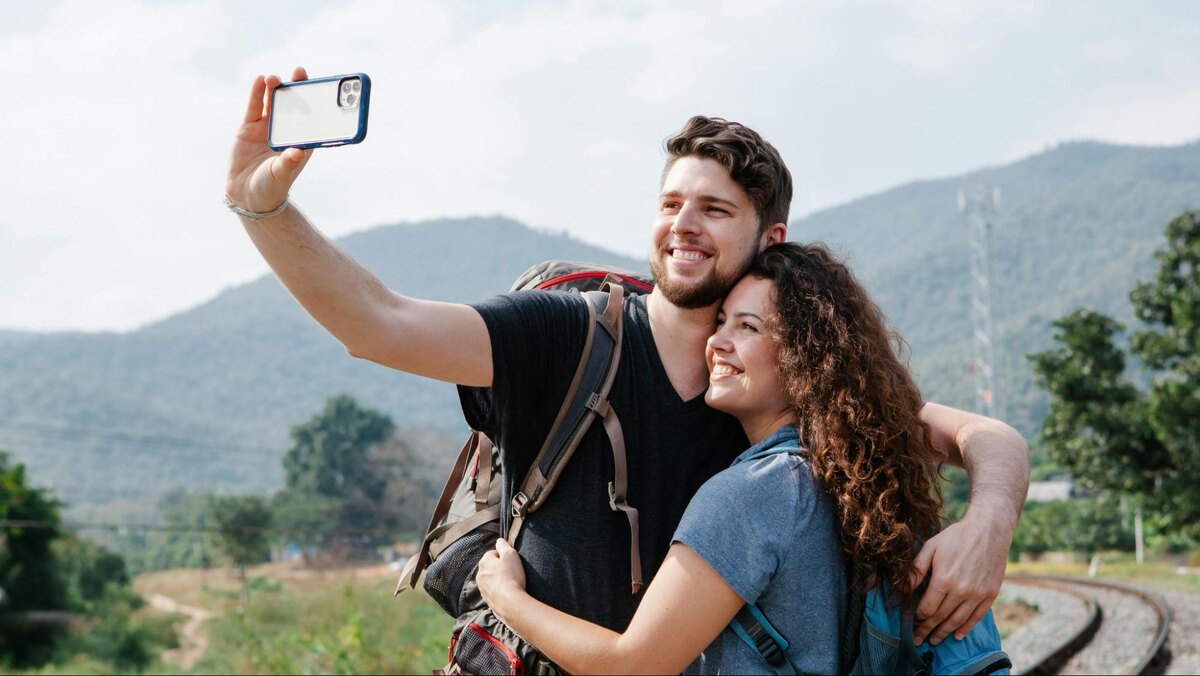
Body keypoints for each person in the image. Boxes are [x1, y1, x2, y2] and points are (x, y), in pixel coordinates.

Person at [224, 67, 1029, 652]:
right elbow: (378, 323)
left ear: (768, 241)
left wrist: (987, 528)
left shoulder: (772, 384)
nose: (684, 224)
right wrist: (261, 208)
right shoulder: (563, 337)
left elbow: (987, 438)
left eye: (715, 209)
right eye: (671, 203)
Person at [475, 242, 966, 674]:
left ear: (807, 357)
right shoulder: (862, 478)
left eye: (747, 327)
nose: (717, 342)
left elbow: (633, 666)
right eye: (721, 322)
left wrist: (507, 599)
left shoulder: (753, 493)